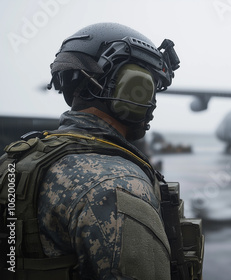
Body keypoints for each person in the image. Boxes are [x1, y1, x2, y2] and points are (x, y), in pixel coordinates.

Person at [2, 22, 180, 279]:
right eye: (149, 88)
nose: (151, 102)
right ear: (132, 88)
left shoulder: (16, 159)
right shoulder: (118, 185)